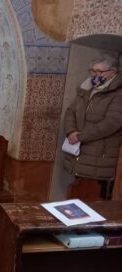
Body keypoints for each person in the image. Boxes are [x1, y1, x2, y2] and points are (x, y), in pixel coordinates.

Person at [63, 55, 122, 199]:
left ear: (112, 72)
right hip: (79, 150)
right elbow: (70, 112)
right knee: (78, 189)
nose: (94, 75)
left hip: (101, 154)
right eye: (92, 71)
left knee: (94, 196)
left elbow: (112, 122)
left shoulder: (118, 93)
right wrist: (71, 131)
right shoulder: (86, 88)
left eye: (99, 72)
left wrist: (80, 136)